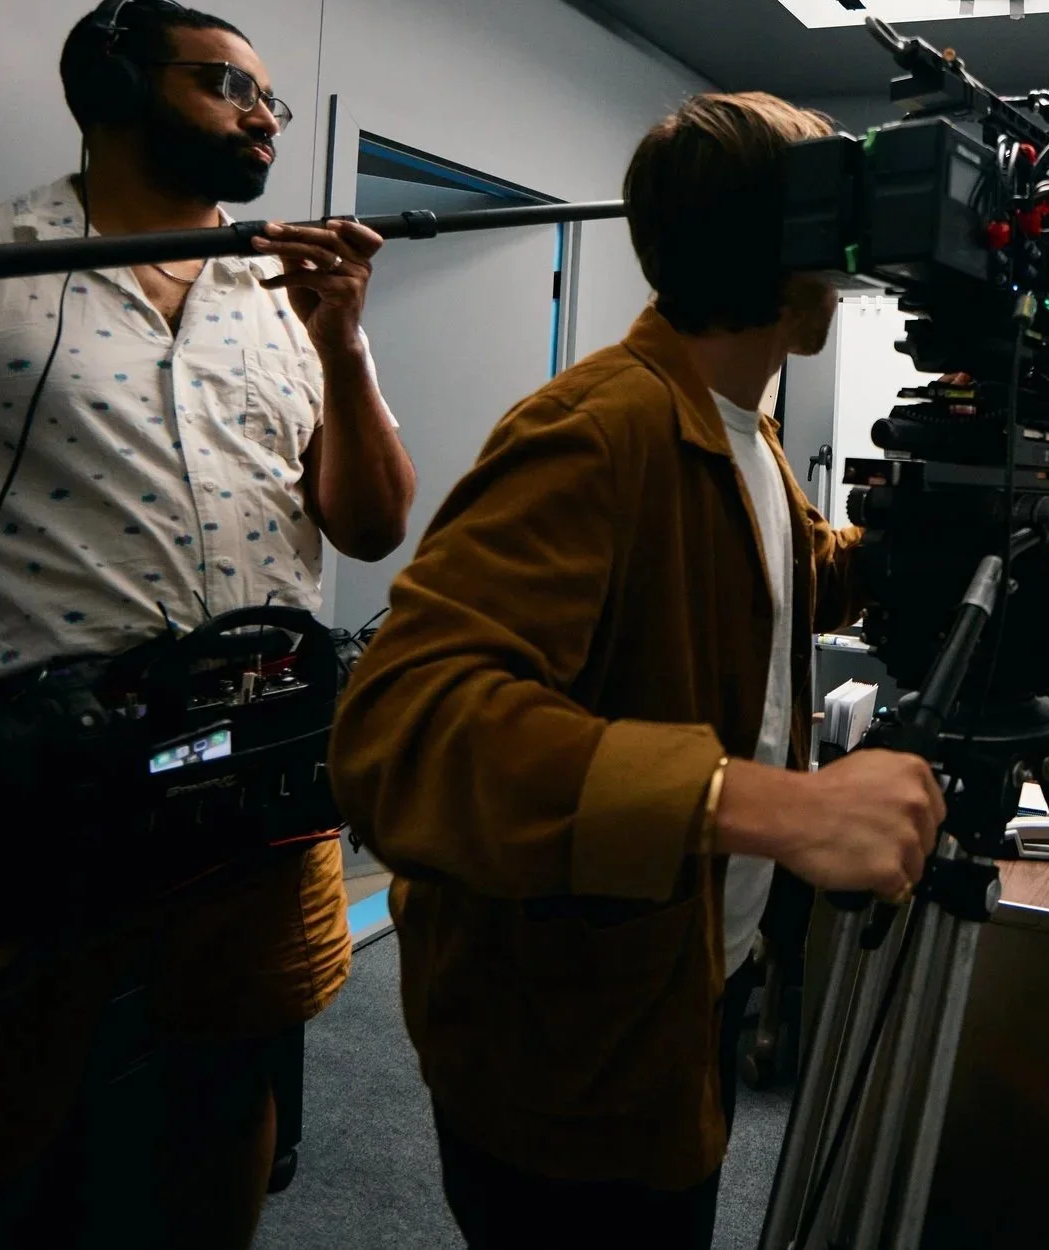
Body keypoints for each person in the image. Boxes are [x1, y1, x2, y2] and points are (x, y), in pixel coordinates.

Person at [0, 0, 416, 1246]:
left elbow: (372, 525)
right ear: (108, 88)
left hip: (251, 795)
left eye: (271, 96)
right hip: (16, 802)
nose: (264, 115)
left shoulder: (283, 298)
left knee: (224, 1094)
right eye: (226, 83)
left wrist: (343, 345)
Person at [330, 90, 942, 1250]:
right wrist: (765, 804)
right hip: (568, 1044)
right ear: (788, 247)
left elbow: (764, 576)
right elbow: (402, 724)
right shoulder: (596, 428)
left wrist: (905, 549)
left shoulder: (735, 424)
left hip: (687, 977)